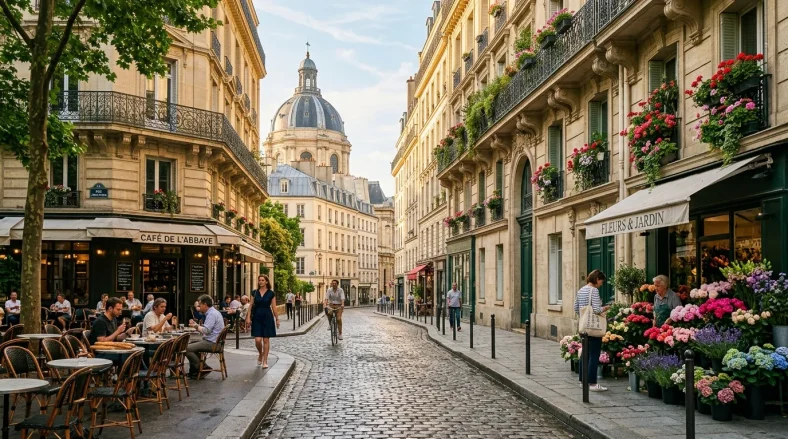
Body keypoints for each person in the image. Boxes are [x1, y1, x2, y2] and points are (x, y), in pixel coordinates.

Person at [573, 269, 611, 392]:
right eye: (601, 281)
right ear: (597, 279)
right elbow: (596, 310)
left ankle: (582, 380)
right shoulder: (593, 291)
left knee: (584, 353)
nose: (601, 284)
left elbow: (576, 308)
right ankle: (592, 383)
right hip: (593, 328)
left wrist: (584, 317)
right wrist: (607, 307)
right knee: (594, 355)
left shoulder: (581, 290)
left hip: (584, 327)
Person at [186, 295, 225, 379]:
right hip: (215, 341)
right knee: (191, 344)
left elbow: (206, 331)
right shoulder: (214, 312)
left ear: (205, 305)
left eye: (200, 305)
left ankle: (202, 367)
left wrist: (195, 326)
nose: (199, 307)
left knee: (187, 348)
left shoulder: (212, 314)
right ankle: (195, 371)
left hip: (212, 343)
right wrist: (196, 325)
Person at [246, 275, 278, 368]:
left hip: (267, 316)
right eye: (259, 280)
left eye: (262, 280)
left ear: (266, 282)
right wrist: (248, 317)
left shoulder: (271, 293)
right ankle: (260, 354)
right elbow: (250, 305)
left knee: (266, 340)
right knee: (258, 340)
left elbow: (274, 307)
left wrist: (277, 319)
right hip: (257, 316)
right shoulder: (254, 292)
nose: (260, 282)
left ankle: (265, 361)